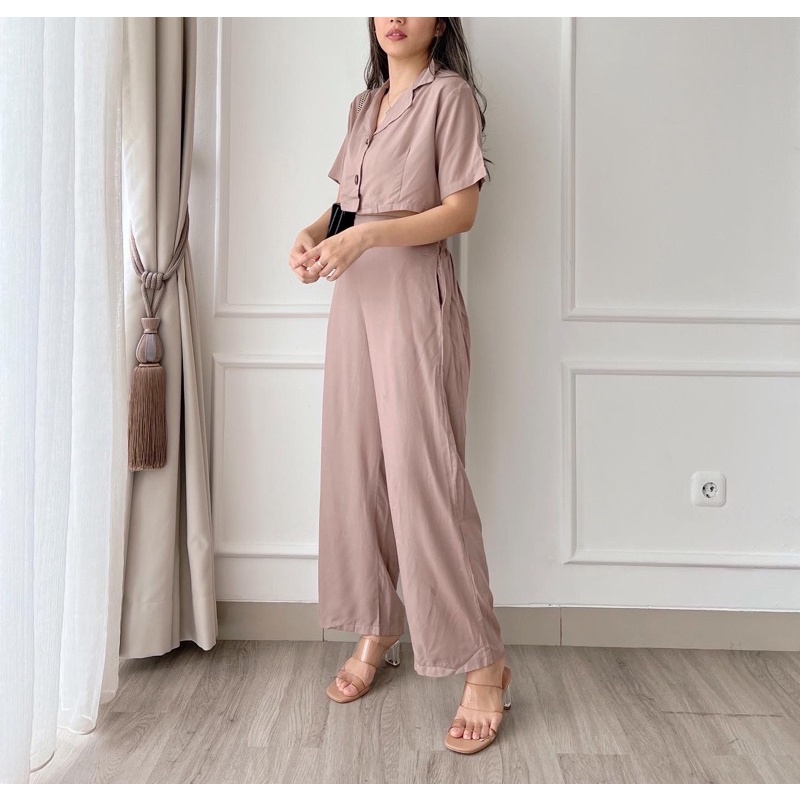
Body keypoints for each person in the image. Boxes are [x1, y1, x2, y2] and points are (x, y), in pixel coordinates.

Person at [288, 17, 510, 755]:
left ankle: (484, 663)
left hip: (415, 299)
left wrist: (367, 234)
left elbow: (461, 211)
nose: (396, 15)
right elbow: (347, 207)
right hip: (355, 300)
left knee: (425, 477)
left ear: (440, 19)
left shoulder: (450, 98)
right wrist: (315, 234)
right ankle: (375, 625)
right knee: (356, 469)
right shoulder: (365, 105)